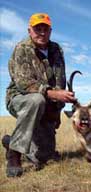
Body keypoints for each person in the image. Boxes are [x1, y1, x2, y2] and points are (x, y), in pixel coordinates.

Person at [2, 13, 77, 177]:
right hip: (20, 99)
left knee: (44, 157)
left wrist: (59, 106)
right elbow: (24, 83)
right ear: (29, 30)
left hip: (48, 102)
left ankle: (11, 141)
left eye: (45, 29)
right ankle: (14, 154)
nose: (42, 33)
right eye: (37, 29)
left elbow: (60, 81)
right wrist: (54, 93)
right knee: (36, 99)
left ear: (50, 31)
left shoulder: (56, 49)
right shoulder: (22, 49)